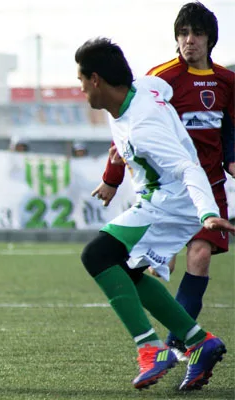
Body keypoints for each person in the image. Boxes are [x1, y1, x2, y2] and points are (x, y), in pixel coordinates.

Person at [75, 37, 234, 391]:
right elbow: (165, 85)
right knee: (127, 270)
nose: (81, 88)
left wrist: (207, 212)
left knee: (97, 255)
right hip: (160, 199)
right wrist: (124, 159)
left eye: (81, 79)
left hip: (171, 202)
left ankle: (150, 348)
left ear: (96, 79)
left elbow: (187, 168)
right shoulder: (147, 87)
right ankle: (199, 341)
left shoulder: (144, 126)